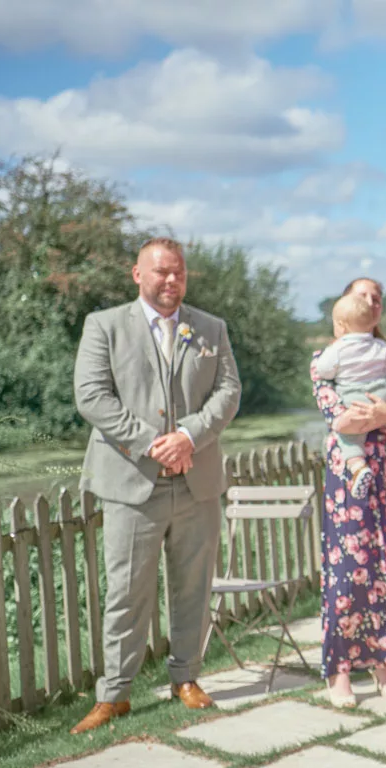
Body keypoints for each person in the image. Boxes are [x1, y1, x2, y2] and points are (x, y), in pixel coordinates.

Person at [70, 237, 241, 734]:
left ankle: (186, 678)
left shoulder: (211, 328)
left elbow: (228, 392)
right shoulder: (103, 326)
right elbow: (92, 397)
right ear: (137, 274)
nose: (172, 280)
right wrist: (154, 442)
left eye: (179, 272)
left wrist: (189, 435)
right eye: (162, 272)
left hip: (196, 481)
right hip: (130, 482)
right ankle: (115, 695)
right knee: (126, 591)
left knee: (193, 586)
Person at [312, 277, 386, 709]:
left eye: (378, 297)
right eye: (363, 296)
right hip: (349, 476)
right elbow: (335, 415)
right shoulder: (325, 358)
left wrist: (381, 416)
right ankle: (339, 671)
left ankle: (385, 665)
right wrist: (382, 415)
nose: (372, 303)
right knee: (348, 570)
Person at [314, 295, 386, 498]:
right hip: (383, 394)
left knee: (348, 434)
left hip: (354, 398)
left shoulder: (337, 349)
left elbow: (323, 370)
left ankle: (358, 466)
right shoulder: (380, 346)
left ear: (341, 326)